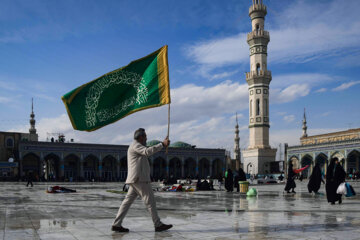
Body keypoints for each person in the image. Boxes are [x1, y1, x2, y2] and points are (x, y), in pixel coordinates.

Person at [111, 128, 172, 232]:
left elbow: (145, 153)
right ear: (140, 137)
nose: (146, 138)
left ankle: (117, 224)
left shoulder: (136, 146)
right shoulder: (136, 145)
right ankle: (157, 224)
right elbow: (147, 152)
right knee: (150, 202)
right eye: (145, 136)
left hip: (136, 179)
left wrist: (164, 144)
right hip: (139, 179)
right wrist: (162, 144)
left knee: (127, 202)